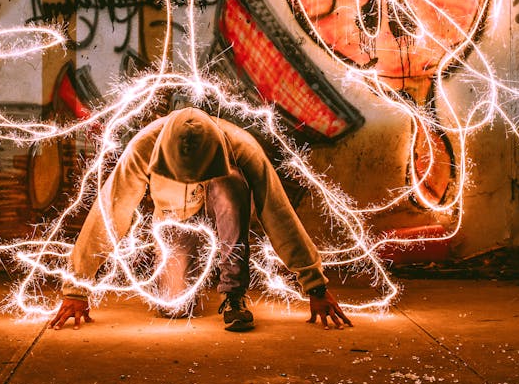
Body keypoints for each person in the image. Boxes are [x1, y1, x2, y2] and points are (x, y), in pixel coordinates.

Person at [49, 107, 352, 332]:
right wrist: (76, 288)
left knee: (231, 183)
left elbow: (277, 212)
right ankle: (193, 273)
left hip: (225, 217)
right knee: (174, 307)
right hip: (176, 220)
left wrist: (315, 285)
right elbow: (111, 212)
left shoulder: (241, 147)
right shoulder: (143, 148)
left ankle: (233, 294)